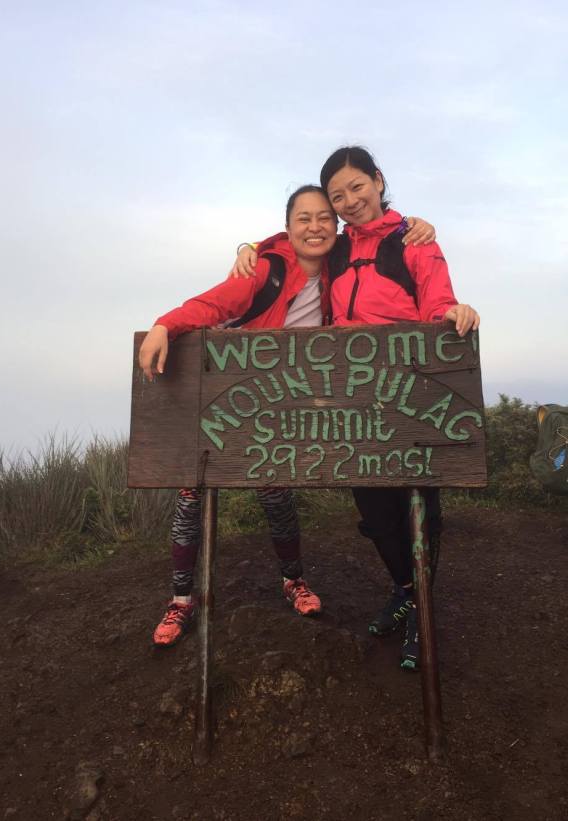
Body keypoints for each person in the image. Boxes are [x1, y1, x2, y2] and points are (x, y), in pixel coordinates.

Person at [232, 146, 480, 670]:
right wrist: (249, 244)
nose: (348, 201)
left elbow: (437, 301)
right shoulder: (339, 249)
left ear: (378, 180)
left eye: (356, 188)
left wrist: (454, 312)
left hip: (408, 396)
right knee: (375, 512)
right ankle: (406, 591)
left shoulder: (412, 242)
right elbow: (293, 241)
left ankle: (421, 611)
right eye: (338, 195)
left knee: (418, 509)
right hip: (354, 400)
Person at [139, 185, 336, 647]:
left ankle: (293, 580)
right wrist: (165, 324)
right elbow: (216, 302)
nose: (314, 227)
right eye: (303, 218)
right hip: (233, 392)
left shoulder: (340, 268)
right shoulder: (267, 269)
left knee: (275, 491)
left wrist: (414, 226)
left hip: (280, 400)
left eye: (324, 217)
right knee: (193, 491)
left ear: (336, 224)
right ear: (288, 227)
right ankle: (181, 599)